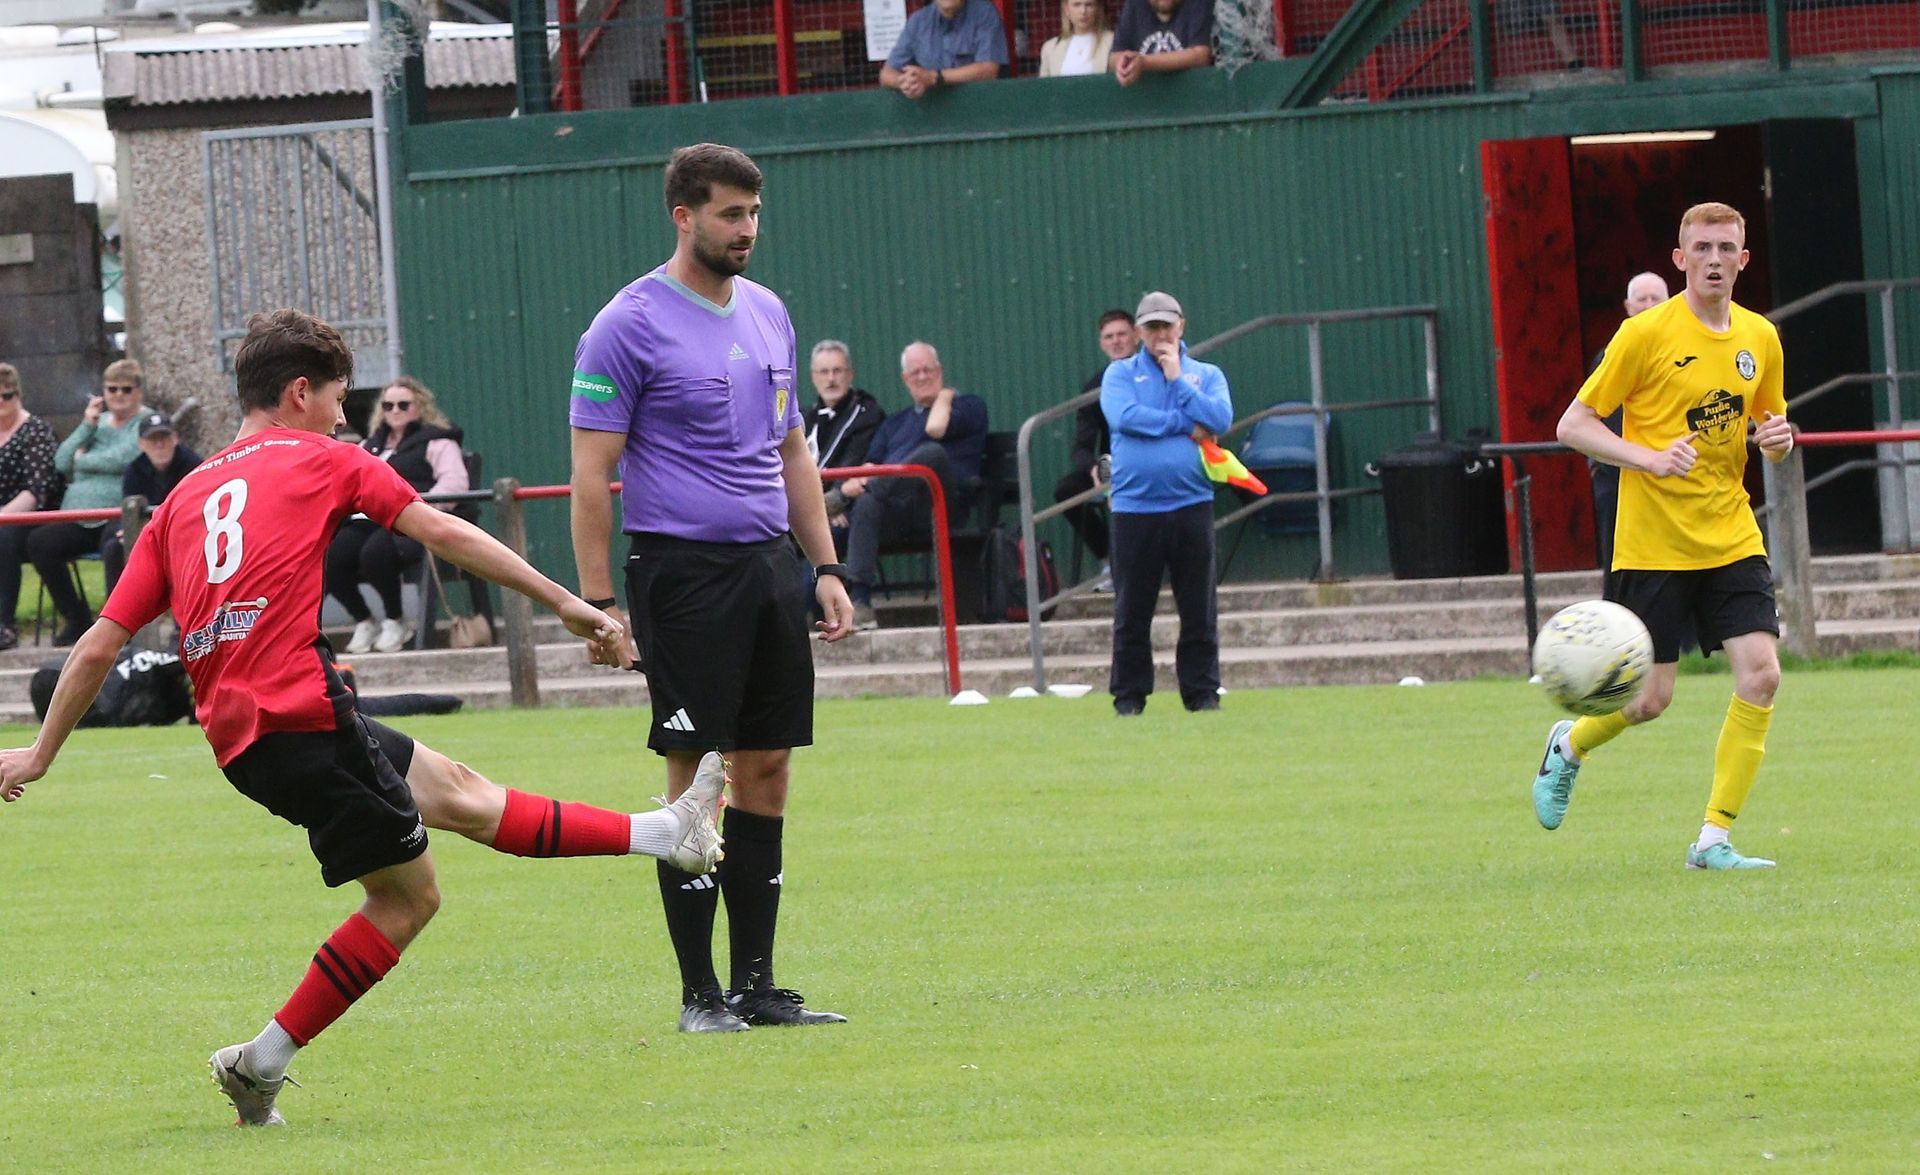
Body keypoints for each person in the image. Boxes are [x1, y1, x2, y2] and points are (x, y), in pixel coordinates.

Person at [0, 308, 725, 1128]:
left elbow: (97, 644)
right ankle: (259, 1062)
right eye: (340, 397)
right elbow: (442, 529)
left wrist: (39, 751)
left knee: (454, 790)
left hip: (248, 735)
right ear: (301, 391)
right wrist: (566, 600)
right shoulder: (325, 456)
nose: (346, 416)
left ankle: (670, 833)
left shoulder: (183, 498)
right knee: (409, 899)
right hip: (305, 716)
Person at [569, 143, 857, 1034]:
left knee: (767, 767)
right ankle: (699, 995)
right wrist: (598, 604)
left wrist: (825, 565)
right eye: (732, 214)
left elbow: (792, 451)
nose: (749, 231)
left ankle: (759, 985)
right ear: (683, 216)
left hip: (770, 568)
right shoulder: (625, 323)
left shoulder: (769, 313)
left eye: (756, 214)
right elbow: (590, 472)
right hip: (682, 576)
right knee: (696, 781)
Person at [1531, 202, 1793, 870]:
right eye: (1701, 247)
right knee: (1649, 699)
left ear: (1743, 259)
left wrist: (1779, 441)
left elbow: (1772, 431)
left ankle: (1714, 839)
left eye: (1725, 248)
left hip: (1731, 533)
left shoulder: (1760, 337)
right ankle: (1570, 745)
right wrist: (1646, 457)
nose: (1713, 259)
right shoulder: (1644, 335)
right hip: (1652, 542)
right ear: (1680, 260)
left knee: (1762, 675)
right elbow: (1572, 424)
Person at [1101, 290, 1233, 715]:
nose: (1159, 335)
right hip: (1134, 508)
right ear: (1139, 332)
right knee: (1132, 609)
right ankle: (1129, 696)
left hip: (1191, 504)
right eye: (1152, 327)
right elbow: (1127, 419)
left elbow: (1219, 419)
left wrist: (1177, 379)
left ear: (1181, 327)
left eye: (1166, 326)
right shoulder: (1120, 375)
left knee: (1198, 607)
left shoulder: (1206, 374)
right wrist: (1183, 424)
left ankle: (1202, 693)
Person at [840, 340, 990, 631]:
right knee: (868, 501)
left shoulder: (969, 406)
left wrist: (945, 396)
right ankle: (861, 603)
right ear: (904, 379)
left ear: (941, 371)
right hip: (896, 509)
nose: (922, 377)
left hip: (941, 505)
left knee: (931, 455)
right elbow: (870, 466)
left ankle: (872, 491)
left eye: (928, 370)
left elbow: (935, 429)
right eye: (914, 372)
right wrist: (862, 484)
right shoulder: (894, 423)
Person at [325, 377, 470, 654]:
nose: (395, 411)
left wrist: (422, 513)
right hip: (365, 518)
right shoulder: (371, 444)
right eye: (388, 405)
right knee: (329, 554)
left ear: (420, 407)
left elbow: (454, 483)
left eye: (404, 404)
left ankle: (394, 618)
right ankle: (364, 620)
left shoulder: (437, 441)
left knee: (374, 553)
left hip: (408, 520)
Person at [29, 359, 146, 643]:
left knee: (113, 548)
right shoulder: (96, 423)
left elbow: (126, 457)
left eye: (126, 389)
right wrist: (85, 425)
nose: (118, 395)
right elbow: (61, 460)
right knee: (39, 542)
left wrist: (85, 460)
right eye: (112, 389)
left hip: (116, 514)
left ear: (138, 392)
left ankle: (115, 627)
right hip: (77, 517)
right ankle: (77, 618)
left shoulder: (146, 422)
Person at [1590, 271, 1670, 578]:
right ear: (1627, 306)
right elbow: (1593, 419)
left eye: (1656, 299)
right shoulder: (1612, 356)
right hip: (1619, 478)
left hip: (1673, 476)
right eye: (1641, 299)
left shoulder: (1687, 352)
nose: (1649, 305)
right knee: (1620, 570)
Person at [1055, 309, 1136, 585]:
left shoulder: (1153, 373)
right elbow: (1081, 445)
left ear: (1136, 336)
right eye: (1109, 337)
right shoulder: (1095, 386)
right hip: (1111, 465)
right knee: (1067, 491)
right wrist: (1092, 469)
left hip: (1150, 461)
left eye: (1122, 334)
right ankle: (1110, 560)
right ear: (1102, 343)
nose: (1116, 341)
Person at [102, 411, 203, 590]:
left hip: (187, 534)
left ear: (175, 439)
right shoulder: (134, 470)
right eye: (152, 439)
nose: (160, 444)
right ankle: (118, 614)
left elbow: (200, 510)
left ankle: (186, 615)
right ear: (141, 443)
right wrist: (127, 531)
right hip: (148, 535)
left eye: (164, 437)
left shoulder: (194, 465)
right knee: (113, 547)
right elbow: (130, 512)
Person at [0, 363, 60, 651]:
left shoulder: (35, 431)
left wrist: (1, 517)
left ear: (19, 395)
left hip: (30, 517)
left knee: (4, 538)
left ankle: (4, 625)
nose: (1, 401)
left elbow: (35, 492)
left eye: (7, 395)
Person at [807, 339, 886, 539]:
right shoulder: (804, 418)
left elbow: (854, 461)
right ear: (813, 377)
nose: (831, 379)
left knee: (825, 536)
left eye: (837, 371)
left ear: (850, 374)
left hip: (847, 508)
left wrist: (832, 504)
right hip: (801, 510)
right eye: (824, 372)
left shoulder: (867, 413)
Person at [879, 0, 1008, 99]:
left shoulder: (985, 13)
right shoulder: (918, 22)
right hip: (932, 117)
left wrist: (934, 78)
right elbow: (886, 74)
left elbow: (988, 70)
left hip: (980, 109)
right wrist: (906, 82)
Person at [1110, 0, 1213, 87]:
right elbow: (1114, 57)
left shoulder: (1198, 3)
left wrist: (1144, 62)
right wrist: (1125, 63)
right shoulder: (1134, 5)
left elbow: (1201, 56)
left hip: (1192, 97)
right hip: (1145, 100)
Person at [1040, 0, 1114, 77]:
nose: (1083, 11)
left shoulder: (1112, 42)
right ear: (1066, 9)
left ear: (1097, 8)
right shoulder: (1050, 48)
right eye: (1077, 5)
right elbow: (1044, 86)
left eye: (1089, 5)